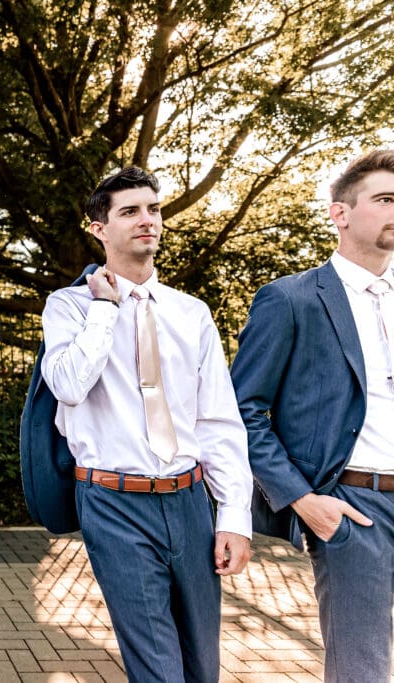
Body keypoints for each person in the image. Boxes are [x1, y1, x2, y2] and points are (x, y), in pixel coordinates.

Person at [40, 167, 252, 682]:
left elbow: (219, 419)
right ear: (99, 228)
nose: (147, 220)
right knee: (157, 666)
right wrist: (106, 308)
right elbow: (68, 385)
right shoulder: (68, 307)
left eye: (153, 209)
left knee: (202, 664)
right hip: (114, 502)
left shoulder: (192, 312)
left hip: (189, 502)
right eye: (129, 211)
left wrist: (234, 516)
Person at [231, 149, 394, 682]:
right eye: (385, 199)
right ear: (340, 213)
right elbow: (244, 411)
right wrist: (304, 502)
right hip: (354, 509)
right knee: (360, 670)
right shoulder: (290, 300)